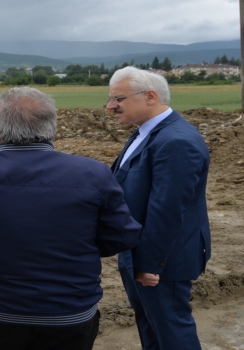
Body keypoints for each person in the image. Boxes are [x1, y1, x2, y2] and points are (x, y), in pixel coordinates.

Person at [0, 87, 142, 350]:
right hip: (69, 315)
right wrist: (79, 247)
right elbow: (123, 235)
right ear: (51, 129)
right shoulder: (95, 173)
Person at [106, 66, 211, 350]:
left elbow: (167, 209)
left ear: (150, 96)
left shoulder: (176, 141)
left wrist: (150, 263)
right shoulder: (146, 132)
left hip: (163, 259)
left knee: (171, 329)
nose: (110, 106)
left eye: (118, 99)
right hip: (140, 253)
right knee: (151, 325)